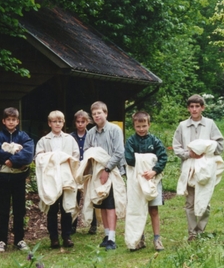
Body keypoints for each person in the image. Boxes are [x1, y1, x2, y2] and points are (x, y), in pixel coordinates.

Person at [172, 94, 224, 242]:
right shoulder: (182, 126)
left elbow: (220, 145)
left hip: (205, 168)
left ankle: (201, 230)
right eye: (192, 107)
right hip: (189, 168)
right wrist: (189, 154)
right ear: (188, 108)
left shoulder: (210, 124)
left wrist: (206, 151)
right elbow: (176, 146)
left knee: (204, 200)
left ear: (202, 108)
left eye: (197, 106)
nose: (194, 109)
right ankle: (192, 233)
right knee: (190, 202)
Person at [83, 101, 126, 250]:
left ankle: (113, 239)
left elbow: (119, 152)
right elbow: (87, 151)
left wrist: (106, 170)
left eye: (99, 113)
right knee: (101, 202)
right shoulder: (90, 133)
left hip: (111, 170)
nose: (96, 116)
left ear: (105, 113)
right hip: (96, 171)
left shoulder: (114, 130)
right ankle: (106, 235)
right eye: (94, 114)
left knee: (111, 205)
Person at [35, 111, 80, 249]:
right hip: (51, 179)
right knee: (52, 208)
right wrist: (53, 157)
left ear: (63, 123)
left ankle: (67, 236)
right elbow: (39, 157)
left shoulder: (69, 139)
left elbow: (75, 156)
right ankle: (53, 238)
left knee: (66, 207)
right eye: (54, 121)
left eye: (60, 121)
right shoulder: (44, 141)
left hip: (66, 177)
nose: (57, 124)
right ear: (50, 123)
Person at [124, 111, 168, 252]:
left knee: (153, 209)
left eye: (144, 126)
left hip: (152, 180)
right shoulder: (131, 141)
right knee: (138, 208)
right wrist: (143, 161)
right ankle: (139, 238)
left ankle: (157, 239)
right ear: (134, 126)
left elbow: (163, 157)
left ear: (149, 124)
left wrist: (154, 170)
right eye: (138, 126)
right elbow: (129, 159)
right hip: (137, 181)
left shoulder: (154, 141)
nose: (141, 129)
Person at [0, 107, 34, 252]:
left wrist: (13, 161)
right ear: (4, 121)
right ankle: (2, 240)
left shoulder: (23, 136)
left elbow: (28, 154)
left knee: (19, 210)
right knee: (3, 210)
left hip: (18, 179)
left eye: (13, 119)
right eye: (8, 119)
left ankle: (19, 239)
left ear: (17, 121)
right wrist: (12, 155)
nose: (11, 122)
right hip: (3, 178)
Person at [70, 110, 99, 235]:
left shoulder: (92, 135)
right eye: (78, 122)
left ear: (87, 122)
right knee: (74, 197)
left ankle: (93, 224)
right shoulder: (70, 137)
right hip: (75, 169)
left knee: (90, 196)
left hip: (89, 168)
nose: (80, 124)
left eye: (83, 122)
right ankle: (72, 225)